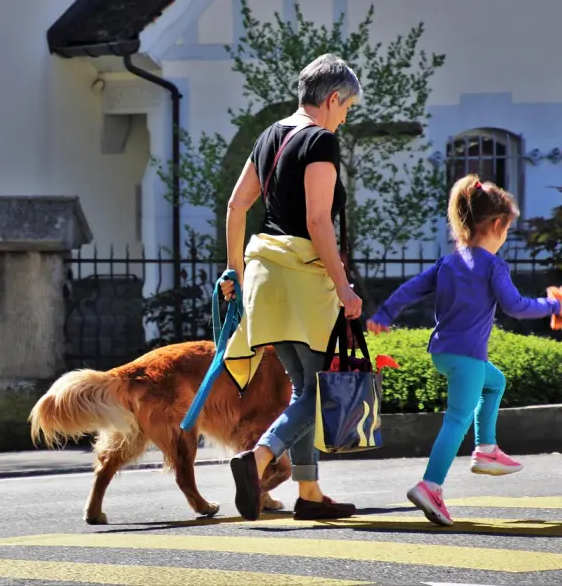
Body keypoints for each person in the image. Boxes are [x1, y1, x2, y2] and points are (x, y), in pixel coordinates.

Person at [366, 174, 561, 527]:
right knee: (456, 420)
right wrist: (552, 306)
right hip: (468, 357)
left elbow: (411, 288)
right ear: (499, 225)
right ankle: (430, 485)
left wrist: (384, 314)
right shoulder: (492, 265)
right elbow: (515, 306)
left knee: (495, 382)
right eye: (507, 231)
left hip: (443, 353)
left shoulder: (449, 262)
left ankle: (487, 449)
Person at [219, 53, 363, 521]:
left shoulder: (269, 136)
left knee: (304, 388)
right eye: (347, 108)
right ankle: (258, 459)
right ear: (334, 97)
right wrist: (344, 287)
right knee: (320, 392)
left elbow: (237, 206)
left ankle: (310, 494)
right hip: (303, 277)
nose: (344, 117)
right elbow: (318, 219)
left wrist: (234, 274)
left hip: (264, 276)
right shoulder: (320, 141)